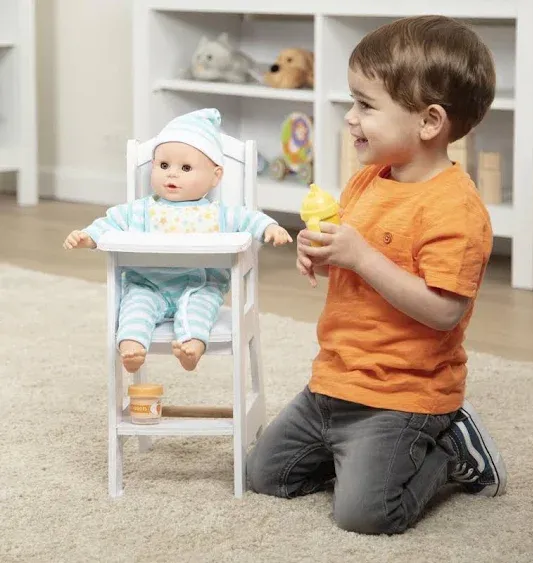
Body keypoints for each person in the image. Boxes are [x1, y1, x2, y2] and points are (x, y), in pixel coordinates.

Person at [247, 15, 507, 534]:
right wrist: (319, 250)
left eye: (365, 105)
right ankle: (361, 456)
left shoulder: (455, 209)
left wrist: (363, 257)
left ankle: (450, 448)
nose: (349, 118)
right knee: (264, 475)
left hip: (403, 394)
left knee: (365, 514)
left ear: (429, 122)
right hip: (335, 379)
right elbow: (350, 248)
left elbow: (443, 311)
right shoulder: (368, 180)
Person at [63, 108, 292, 373]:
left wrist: (269, 228)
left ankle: (192, 348)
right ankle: (131, 349)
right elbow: (109, 223)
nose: (172, 174)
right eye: (163, 166)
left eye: (185, 168)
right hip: (149, 284)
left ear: (216, 176)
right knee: (134, 308)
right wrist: (88, 236)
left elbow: (249, 219)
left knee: (200, 310)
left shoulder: (217, 213)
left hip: (198, 285)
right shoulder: (140, 210)